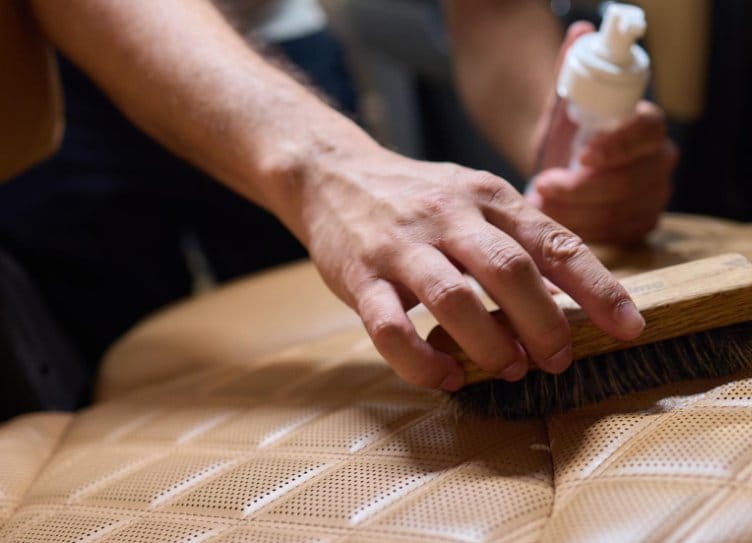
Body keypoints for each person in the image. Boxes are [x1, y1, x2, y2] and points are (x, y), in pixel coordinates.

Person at [1, 0, 676, 395]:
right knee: (112, 355)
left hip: (276, 40)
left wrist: (563, 155)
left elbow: (491, 12)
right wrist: (323, 166)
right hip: (48, 71)